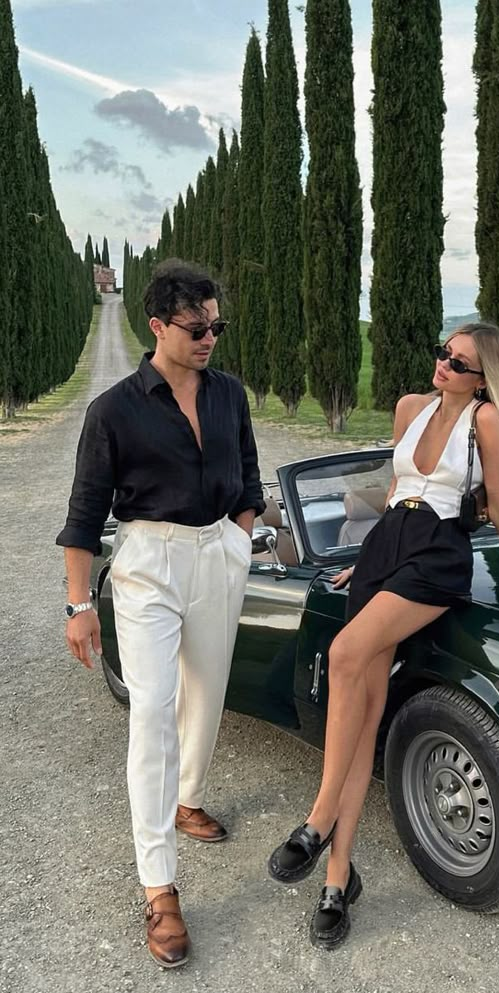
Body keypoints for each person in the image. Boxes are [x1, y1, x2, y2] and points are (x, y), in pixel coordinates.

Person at [267, 322, 499, 950]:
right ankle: (338, 880)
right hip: (387, 548)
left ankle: (315, 822)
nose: (443, 364)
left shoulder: (485, 423)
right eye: (444, 352)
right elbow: (397, 490)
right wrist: (362, 561)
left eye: (460, 362)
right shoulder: (409, 409)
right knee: (363, 721)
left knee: (342, 653)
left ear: (483, 378)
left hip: (435, 559)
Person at [57, 259, 264, 968]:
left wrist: (237, 540)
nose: (210, 337)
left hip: (219, 555)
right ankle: (161, 888)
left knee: (206, 694)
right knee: (152, 709)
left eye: (217, 325)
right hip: (148, 564)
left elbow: (250, 477)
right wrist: (80, 604)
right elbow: (84, 516)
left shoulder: (230, 394)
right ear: (157, 325)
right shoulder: (113, 409)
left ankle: (188, 797)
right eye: (196, 326)